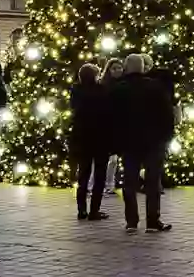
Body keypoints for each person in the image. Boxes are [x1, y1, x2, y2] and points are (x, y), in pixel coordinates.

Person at [111, 54, 174, 233]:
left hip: (128, 143)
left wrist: (115, 142)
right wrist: (166, 137)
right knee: (152, 182)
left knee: (129, 182)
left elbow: (111, 118)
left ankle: (131, 221)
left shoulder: (118, 90)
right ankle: (153, 221)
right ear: (142, 67)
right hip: (153, 142)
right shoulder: (155, 87)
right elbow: (166, 115)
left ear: (126, 67)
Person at [70, 64, 111, 221]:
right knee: (99, 176)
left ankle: (81, 210)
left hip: (81, 138)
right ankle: (94, 210)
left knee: (83, 175)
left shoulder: (76, 91)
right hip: (100, 138)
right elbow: (108, 113)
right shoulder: (102, 91)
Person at [97, 57, 124, 196]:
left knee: (114, 159)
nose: (118, 70)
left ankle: (110, 184)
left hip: (119, 126)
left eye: (120, 67)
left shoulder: (125, 84)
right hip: (106, 126)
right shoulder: (104, 86)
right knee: (105, 159)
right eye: (114, 68)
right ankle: (100, 185)